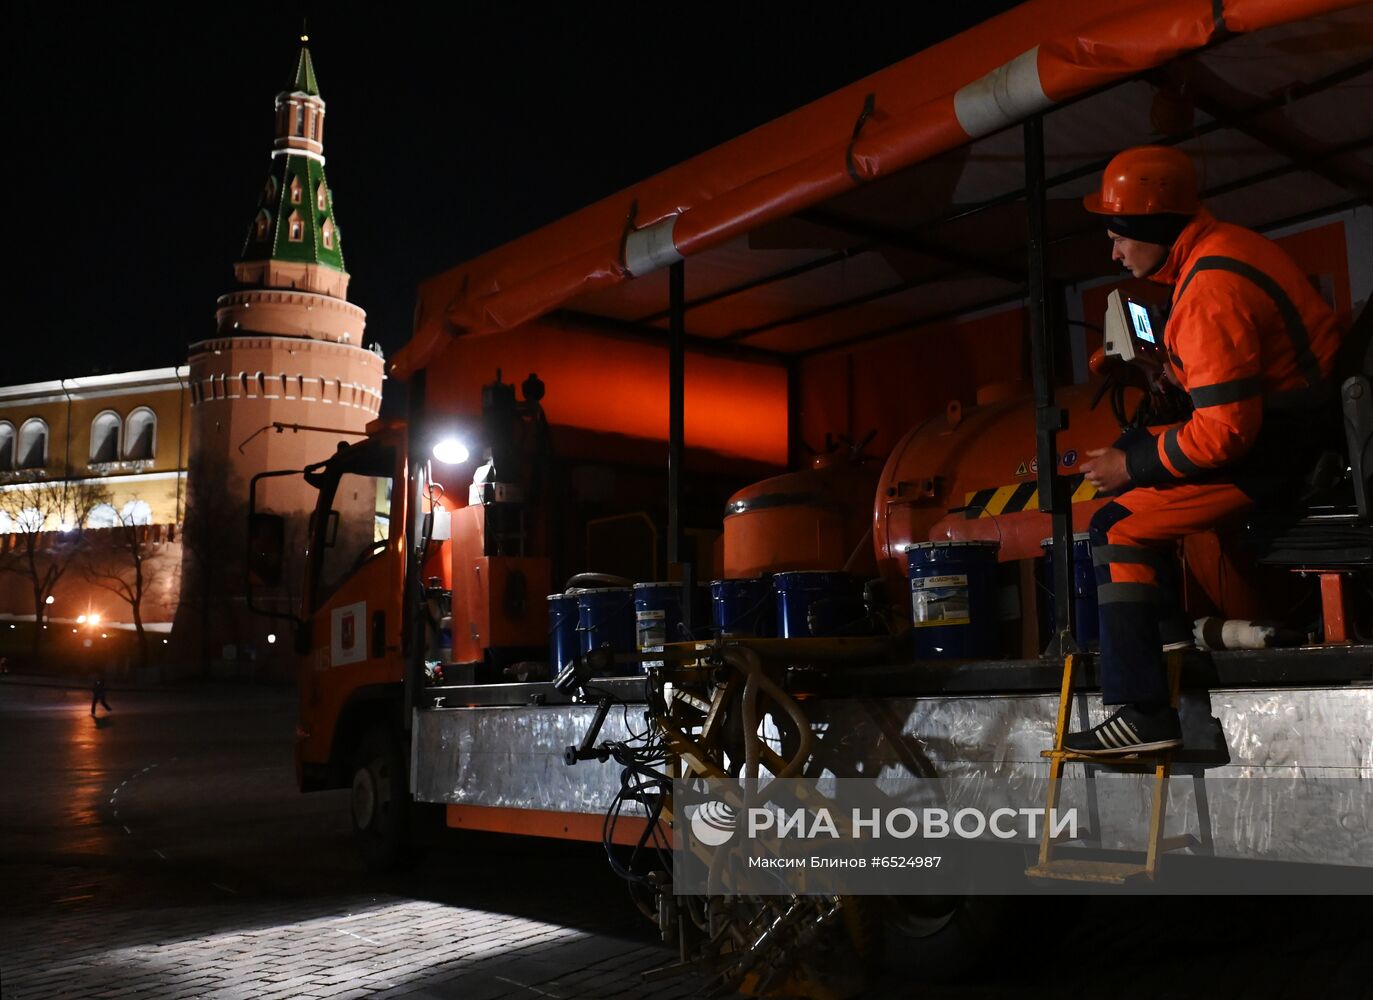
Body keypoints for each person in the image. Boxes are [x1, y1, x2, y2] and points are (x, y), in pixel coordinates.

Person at [1065, 145, 1344, 755]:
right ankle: (1170, 648)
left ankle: (1144, 713)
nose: (1113, 252)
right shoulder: (1225, 247)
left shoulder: (1207, 291)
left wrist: (1130, 464)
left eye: (1119, 237)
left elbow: (1225, 433)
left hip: (1280, 449)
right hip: (1292, 427)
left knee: (1116, 527)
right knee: (1129, 469)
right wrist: (1170, 382)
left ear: (1151, 228)